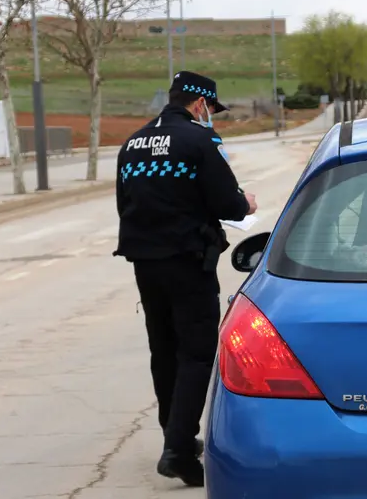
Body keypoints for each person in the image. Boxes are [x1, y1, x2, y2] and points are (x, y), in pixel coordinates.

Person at [114, 71, 257, 487]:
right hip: (188, 261)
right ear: (199, 105)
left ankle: (173, 435)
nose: (211, 116)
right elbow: (229, 205)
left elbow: (125, 205)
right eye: (211, 109)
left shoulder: (132, 144)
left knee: (164, 350)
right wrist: (246, 202)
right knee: (195, 353)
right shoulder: (200, 141)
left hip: (145, 262)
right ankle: (178, 448)